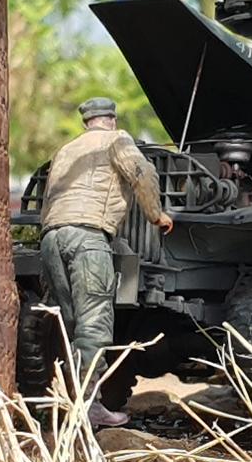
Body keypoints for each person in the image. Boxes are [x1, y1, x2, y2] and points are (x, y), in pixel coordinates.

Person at [40, 97, 173, 427]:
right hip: (88, 238)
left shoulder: (66, 149)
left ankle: (67, 401)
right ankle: (89, 406)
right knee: (93, 324)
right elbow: (142, 174)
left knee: (70, 325)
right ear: (111, 119)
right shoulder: (117, 139)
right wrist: (156, 215)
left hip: (51, 237)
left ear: (87, 122)